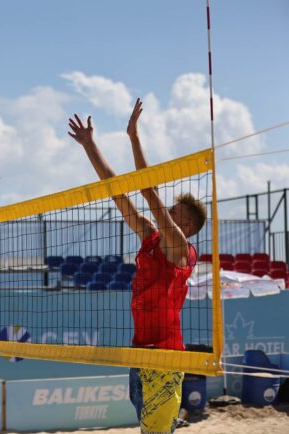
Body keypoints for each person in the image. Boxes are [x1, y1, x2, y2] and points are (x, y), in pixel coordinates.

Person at [68, 99, 206, 434]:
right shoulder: (151, 237)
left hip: (164, 356)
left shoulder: (179, 246)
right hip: (140, 351)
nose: (168, 213)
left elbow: (148, 189)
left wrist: (133, 137)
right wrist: (90, 146)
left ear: (185, 225)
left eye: (175, 213)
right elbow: (117, 192)